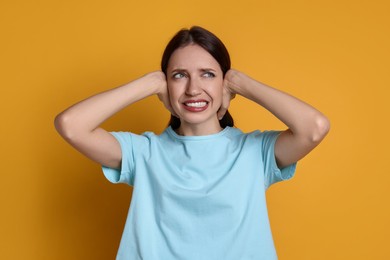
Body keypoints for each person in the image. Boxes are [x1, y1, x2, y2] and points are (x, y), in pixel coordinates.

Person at [55, 26, 330, 260]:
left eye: (208, 74)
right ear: (166, 85)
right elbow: (71, 125)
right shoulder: (143, 153)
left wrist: (239, 82)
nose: (193, 89)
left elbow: (314, 128)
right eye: (179, 75)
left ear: (224, 85)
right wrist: (149, 83)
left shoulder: (254, 151)